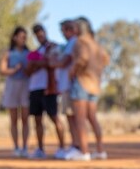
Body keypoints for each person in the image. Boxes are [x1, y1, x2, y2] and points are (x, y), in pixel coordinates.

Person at [64, 17, 110, 161]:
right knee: (92, 118)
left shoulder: (80, 42)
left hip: (82, 82)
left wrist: (73, 70)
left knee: (80, 119)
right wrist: (96, 71)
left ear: (78, 28)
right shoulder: (96, 44)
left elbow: (82, 58)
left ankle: (84, 152)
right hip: (94, 84)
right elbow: (105, 59)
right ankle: (100, 150)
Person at [25, 23, 66, 158]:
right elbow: (28, 70)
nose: (39, 36)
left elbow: (51, 62)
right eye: (37, 34)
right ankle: (40, 149)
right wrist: (37, 63)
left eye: (41, 33)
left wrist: (37, 63)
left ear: (45, 32)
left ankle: (62, 147)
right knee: (37, 119)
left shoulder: (54, 47)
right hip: (35, 88)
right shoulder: (35, 52)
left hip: (49, 88)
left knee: (54, 117)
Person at [0, 26, 30, 157]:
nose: (23, 39)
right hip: (12, 84)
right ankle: (16, 147)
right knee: (14, 119)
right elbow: (2, 70)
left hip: (25, 84)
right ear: (15, 37)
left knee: (25, 118)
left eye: (25, 37)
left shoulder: (29, 53)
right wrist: (15, 69)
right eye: (21, 36)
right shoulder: (8, 53)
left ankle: (25, 147)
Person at [55, 19, 78, 158]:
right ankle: (75, 144)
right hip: (65, 85)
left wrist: (53, 62)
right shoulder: (68, 44)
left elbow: (65, 62)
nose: (63, 34)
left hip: (69, 85)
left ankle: (77, 145)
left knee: (73, 117)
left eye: (63, 30)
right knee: (70, 116)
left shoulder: (73, 42)